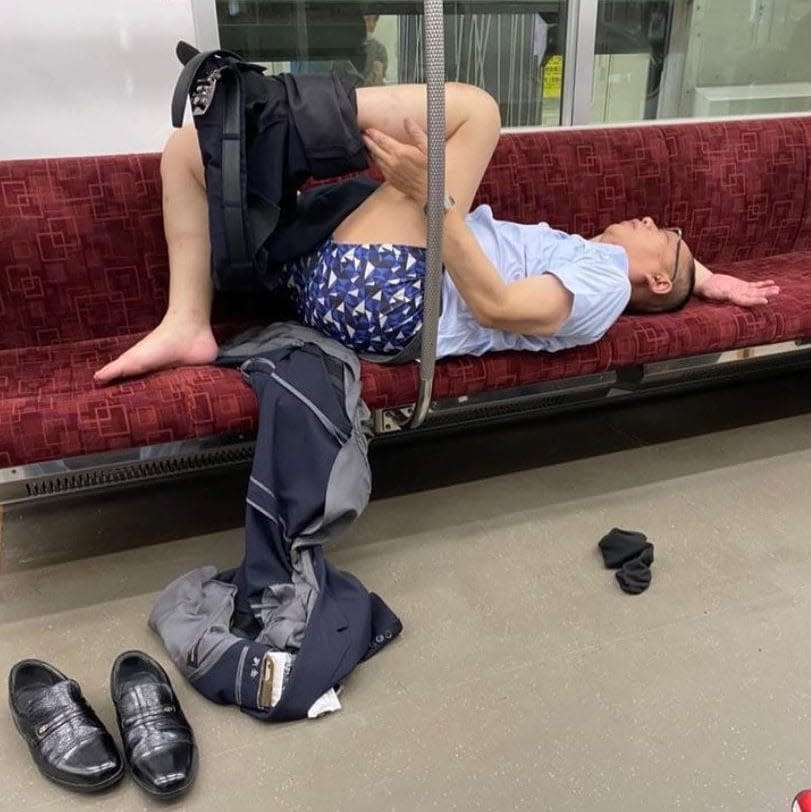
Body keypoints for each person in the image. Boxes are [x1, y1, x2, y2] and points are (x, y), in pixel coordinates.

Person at [93, 81, 779, 385]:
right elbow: (679, 275)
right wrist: (709, 278)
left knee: (475, 111)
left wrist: (432, 204)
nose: (652, 220)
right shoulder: (586, 256)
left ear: (655, 278)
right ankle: (187, 321)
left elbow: (500, 309)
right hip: (347, 285)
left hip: (394, 297)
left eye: (667, 234)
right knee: (186, 152)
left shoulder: (600, 284)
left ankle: (264, 111)